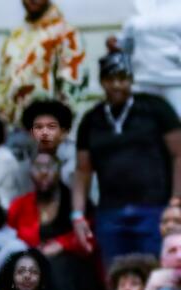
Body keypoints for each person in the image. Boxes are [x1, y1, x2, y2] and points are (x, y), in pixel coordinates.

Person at [73, 51, 181, 260]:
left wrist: (176, 201)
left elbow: (179, 155)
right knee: (116, 277)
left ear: (131, 79)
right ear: (102, 81)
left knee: (154, 273)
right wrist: (77, 214)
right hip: (110, 213)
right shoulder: (91, 119)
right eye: (110, 79)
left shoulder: (155, 108)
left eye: (122, 79)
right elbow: (82, 171)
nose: (116, 85)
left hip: (155, 210)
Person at [0, 0, 88, 131]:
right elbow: (4, 85)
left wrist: (59, 129)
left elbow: (73, 92)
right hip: (15, 130)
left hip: (50, 131)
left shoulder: (66, 34)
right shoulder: (14, 36)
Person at [113, 0, 181, 115]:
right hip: (143, 80)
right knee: (143, 125)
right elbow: (127, 41)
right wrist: (117, 42)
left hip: (175, 80)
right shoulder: (140, 5)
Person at [20, 99, 77, 184]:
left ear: (64, 132)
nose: (44, 133)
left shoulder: (75, 160)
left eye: (51, 127)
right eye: (39, 127)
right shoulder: (25, 161)